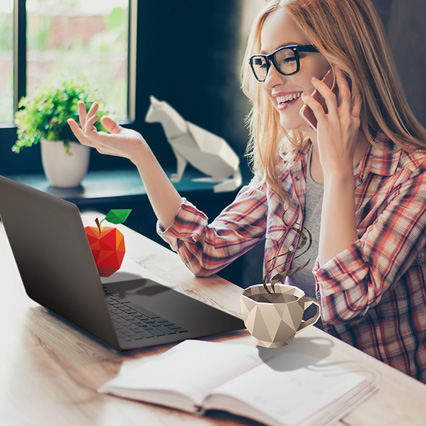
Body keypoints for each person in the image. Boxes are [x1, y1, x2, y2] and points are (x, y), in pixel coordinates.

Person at [68, 0, 426, 382]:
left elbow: (341, 303)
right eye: (263, 62)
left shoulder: (413, 177)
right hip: (296, 372)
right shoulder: (289, 164)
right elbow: (205, 251)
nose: (270, 79)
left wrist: (338, 172)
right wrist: (140, 154)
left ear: (343, 60)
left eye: (287, 57)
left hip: (378, 392)